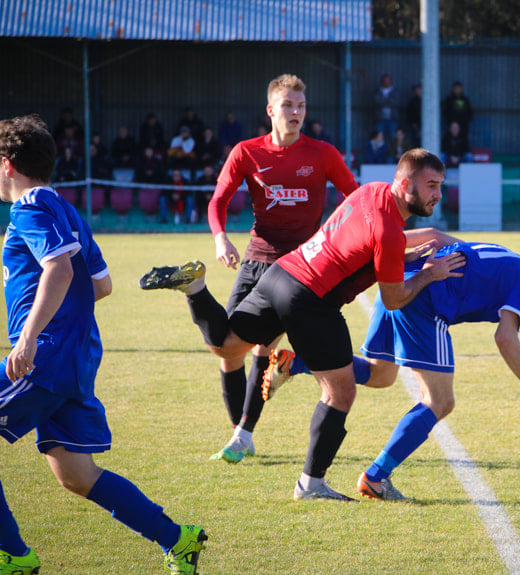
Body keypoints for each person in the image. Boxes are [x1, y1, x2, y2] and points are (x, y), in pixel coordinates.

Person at [139, 148, 466, 501]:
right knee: (340, 392)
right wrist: (429, 274)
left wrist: (399, 255)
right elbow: (394, 298)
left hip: (283, 273)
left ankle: (196, 289)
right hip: (311, 298)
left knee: (227, 346)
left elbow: (360, 245)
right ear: (404, 184)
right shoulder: (389, 229)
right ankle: (310, 485)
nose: (438, 194)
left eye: (440, 186)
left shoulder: (371, 191)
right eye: (432, 185)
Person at [0, 115, 206, 575]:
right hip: (74, 357)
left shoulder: (29, 208)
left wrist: (30, 338)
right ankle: (179, 539)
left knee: (74, 472)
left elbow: (60, 270)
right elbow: (102, 284)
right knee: (75, 473)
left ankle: (11, 554)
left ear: (8, 164)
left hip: (47, 355)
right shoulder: (66, 208)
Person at [269, 241, 520, 500]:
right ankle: (376, 478)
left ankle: (295, 362)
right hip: (423, 304)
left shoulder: (511, 260)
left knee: (381, 375)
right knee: (440, 401)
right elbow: (505, 337)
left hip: (397, 289)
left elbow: (437, 236)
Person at [203, 73, 360, 464]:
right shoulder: (246, 151)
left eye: (301, 106)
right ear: (271, 110)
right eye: (288, 105)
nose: (296, 112)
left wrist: (338, 235)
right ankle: (243, 426)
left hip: (303, 268)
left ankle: (243, 434)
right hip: (257, 259)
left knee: (263, 345)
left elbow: (355, 199)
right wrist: (220, 237)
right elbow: (218, 199)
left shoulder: (322, 153)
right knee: (226, 350)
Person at [373, 74, 400, 141]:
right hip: (380, 119)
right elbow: (376, 102)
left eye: (387, 80)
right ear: (382, 81)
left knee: (393, 138)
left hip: (392, 118)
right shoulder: (377, 91)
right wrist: (389, 101)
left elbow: (396, 102)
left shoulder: (395, 91)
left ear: (390, 81)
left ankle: (392, 151)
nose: (386, 82)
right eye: (384, 81)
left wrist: (382, 102)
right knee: (379, 137)